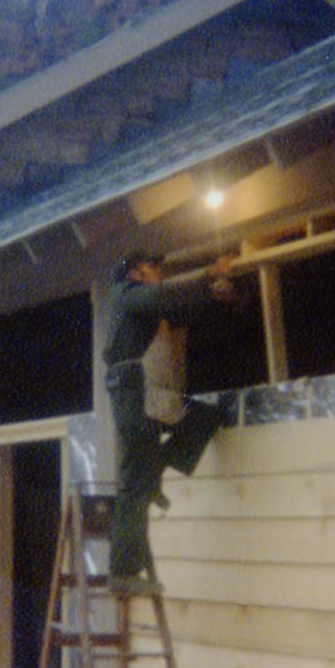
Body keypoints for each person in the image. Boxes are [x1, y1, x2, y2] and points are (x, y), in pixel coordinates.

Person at [103, 249, 241, 594]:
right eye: (153, 267)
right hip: (133, 392)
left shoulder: (150, 306)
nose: (160, 272)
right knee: (135, 482)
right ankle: (122, 572)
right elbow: (165, 297)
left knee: (204, 416)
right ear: (135, 273)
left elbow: (181, 308)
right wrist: (208, 276)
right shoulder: (125, 294)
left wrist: (214, 294)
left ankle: (154, 473)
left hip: (151, 395)